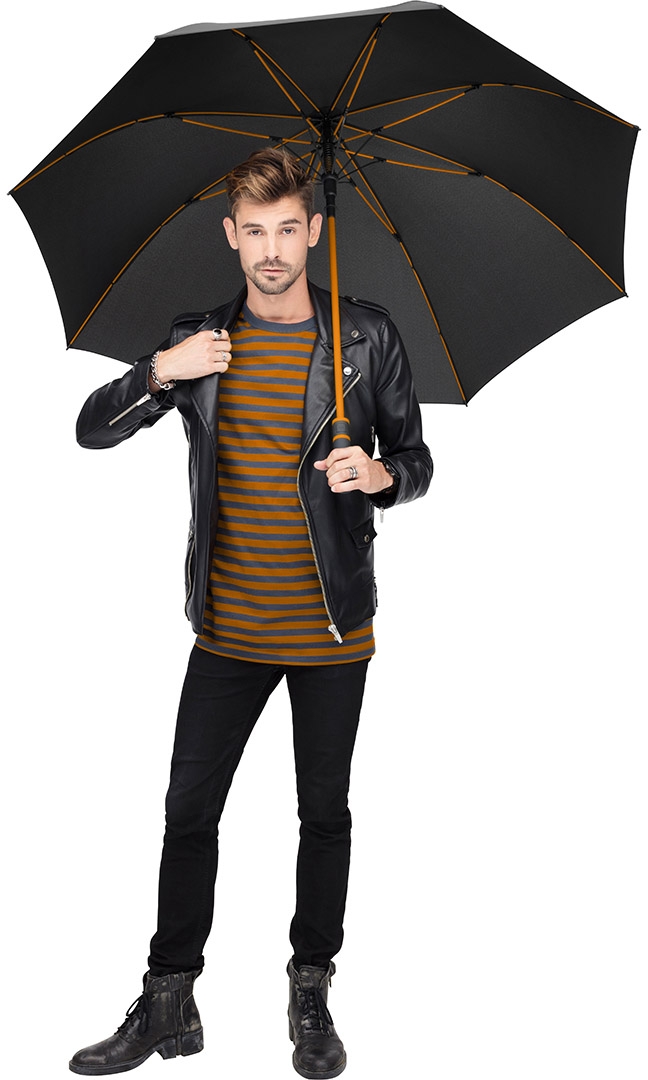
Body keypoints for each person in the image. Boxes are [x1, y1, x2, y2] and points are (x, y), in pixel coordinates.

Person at [69, 148, 432, 1079]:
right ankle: (168, 998)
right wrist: (160, 369)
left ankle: (311, 990)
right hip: (226, 630)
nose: (272, 250)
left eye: (288, 230)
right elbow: (90, 429)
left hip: (332, 631)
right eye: (255, 231)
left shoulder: (366, 338)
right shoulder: (200, 345)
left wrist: (379, 475)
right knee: (188, 813)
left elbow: (417, 460)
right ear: (231, 235)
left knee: (324, 813)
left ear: (315, 232)